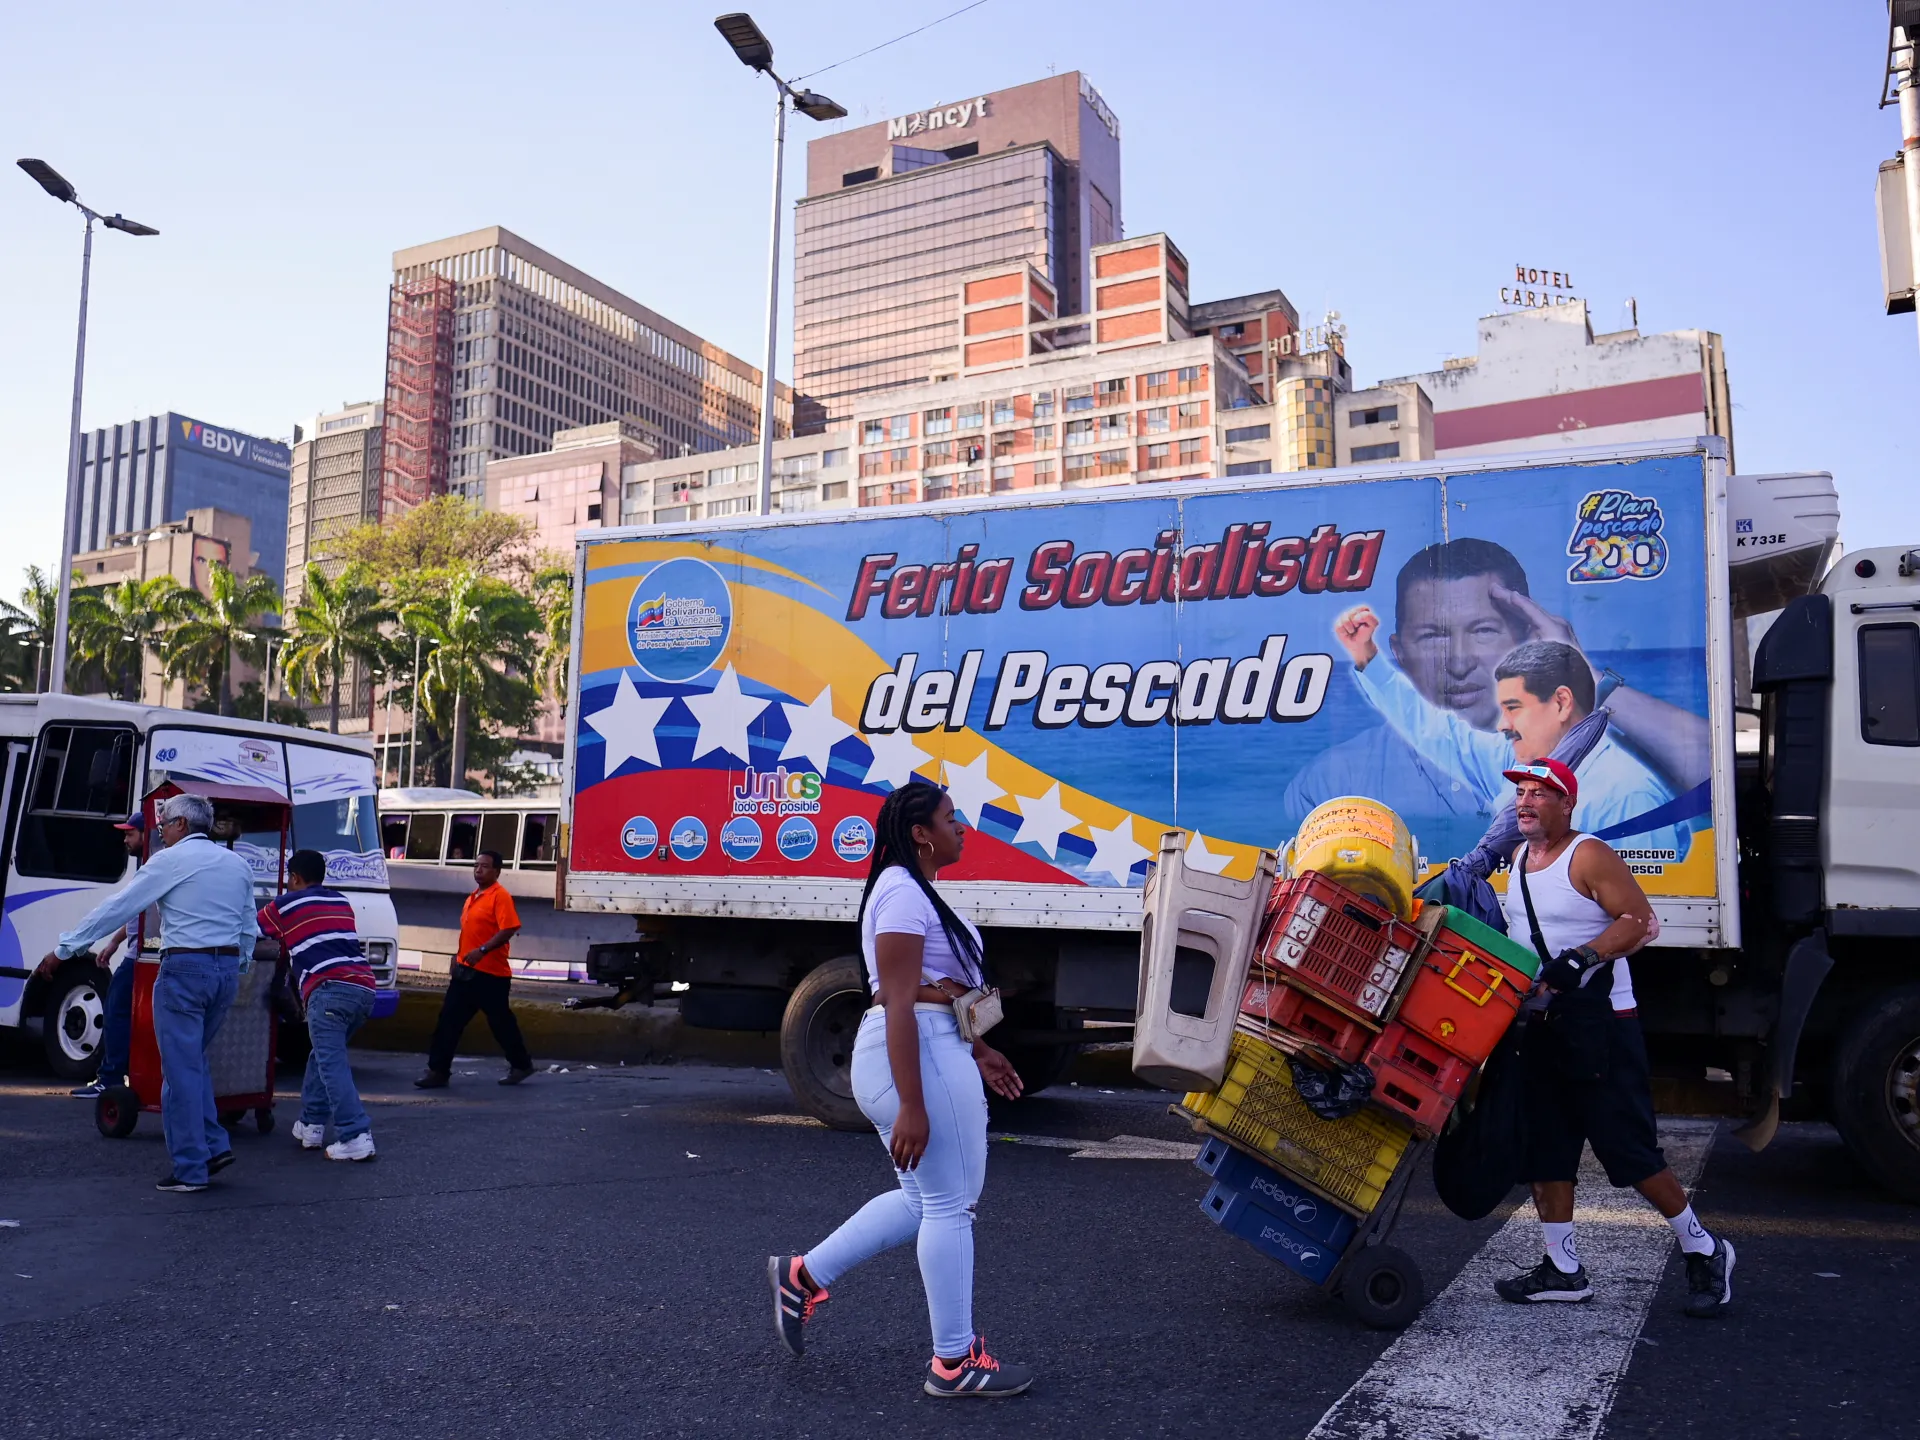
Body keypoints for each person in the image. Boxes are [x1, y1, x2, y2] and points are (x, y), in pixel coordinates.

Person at [767, 781, 1032, 1398]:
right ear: (920, 834)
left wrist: (981, 1049)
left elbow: (932, 993)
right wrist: (912, 1102)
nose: (961, 827)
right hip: (916, 1055)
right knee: (951, 1206)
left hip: (932, 1049)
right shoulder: (902, 892)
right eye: (949, 818)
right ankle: (954, 1362)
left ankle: (802, 1277)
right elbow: (900, 1001)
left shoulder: (913, 891)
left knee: (923, 1201)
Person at [1493, 759, 1734, 1318]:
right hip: (1545, 1026)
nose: (1525, 802)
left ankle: (1703, 1248)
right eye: (1521, 793)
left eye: (1539, 793)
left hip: (1602, 1025)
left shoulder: (1588, 854)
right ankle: (1563, 1269)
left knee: (1627, 1150)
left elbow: (1640, 921)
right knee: (1546, 1148)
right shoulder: (1521, 858)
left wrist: (1583, 958)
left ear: (1566, 804)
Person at [1284, 538, 1711, 839]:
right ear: (1399, 651)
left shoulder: (1620, 784)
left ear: (1528, 639)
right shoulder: (1328, 784)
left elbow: (1712, 773)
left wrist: (1580, 670)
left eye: (1484, 630)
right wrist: (1367, 658)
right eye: (1432, 637)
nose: (1458, 663)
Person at [1334, 607, 1692, 859]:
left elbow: (1637, 910)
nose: (1502, 725)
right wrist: (1367, 658)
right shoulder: (1524, 763)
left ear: (1561, 703)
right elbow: (1436, 732)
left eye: (1514, 708)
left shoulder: (1625, 796)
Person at [42, 793, 258, 1193]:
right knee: (192, 1062)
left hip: (184, 969)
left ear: (181, 825)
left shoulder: (169, 861)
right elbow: (249, 927)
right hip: (226, 972)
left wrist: (64, 949)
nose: (160, 832)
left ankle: (191, 1168)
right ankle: (213, 1145)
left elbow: (118, 907)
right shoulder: (237, 865)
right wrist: (237, 968)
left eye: (163, 825)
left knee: (179, 1071)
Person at [259, 849, 379, 1161]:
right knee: (323, 1055)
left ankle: (355, 1134)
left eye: (289, 878)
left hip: (327, 990)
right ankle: (311, 1124)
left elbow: (251, 929)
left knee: (331, 1062)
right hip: (363, 989)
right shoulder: (340, 901)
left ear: (295, 877)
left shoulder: (285, 904)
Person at [416, 849, 533, 1088]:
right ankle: (438, 1071)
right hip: (466, 971)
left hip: (491, 975)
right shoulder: (473, 897)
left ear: (497, 871)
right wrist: (458, 956)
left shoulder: (500, 896)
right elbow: (470, 932)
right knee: (448, 1021)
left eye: (485, 866)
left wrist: (482, 950)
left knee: (501, 1024)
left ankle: (521, 1065)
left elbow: (509, 928)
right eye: (476, 865)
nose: (479, 870)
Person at [69, 813, 148, 1099]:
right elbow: (136, 915)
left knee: (115, 1012)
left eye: (130, 834)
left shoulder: (153, 869)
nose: (125, 840)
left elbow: (125, 909)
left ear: (145, 834)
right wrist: (114, 942)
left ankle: (111, 1077)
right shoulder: (152, 867)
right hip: (139, 953)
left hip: (140, 956)